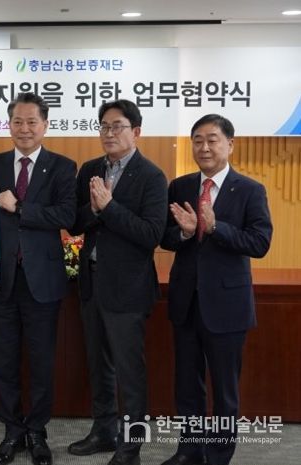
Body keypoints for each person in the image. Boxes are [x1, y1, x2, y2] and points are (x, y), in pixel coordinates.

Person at [159, 114, 272, 465]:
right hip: (186, 302)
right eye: (197, 140)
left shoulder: (250, 190)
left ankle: (219, 455)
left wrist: (215, 227)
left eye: (212, 140)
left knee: (224, 390)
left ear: (230, 144)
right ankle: (189, 450)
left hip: (227, 305)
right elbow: (164, 237)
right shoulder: (179, 186)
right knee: (187, 385)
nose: (204, 147)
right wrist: (184, 232)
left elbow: (260, 242)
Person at [67, 99, 167, 465]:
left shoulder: (152, 176)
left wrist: (109, 208)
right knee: (99, 366)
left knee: (130, 373)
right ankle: (103, 431)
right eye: (104, 126)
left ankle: (131, 447)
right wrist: (94, 210)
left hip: (128, 289)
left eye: (117, 126)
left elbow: (151, 234)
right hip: (91, 283)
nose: (109, 133)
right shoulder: (90, 170)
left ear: (136, 131)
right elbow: (74, 222)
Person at [0, 92, 76, 465]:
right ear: (8, 125)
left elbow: (65, 215)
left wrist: (19, 207)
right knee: (3, 362)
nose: (24, 128)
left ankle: (37, 430)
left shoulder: (63, 166)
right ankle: (12, 431)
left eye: (31, 121)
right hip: (2, 281)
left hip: (42, 281)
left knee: (41, 362)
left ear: (45, 125)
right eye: (17, 121)